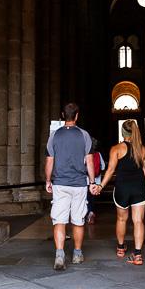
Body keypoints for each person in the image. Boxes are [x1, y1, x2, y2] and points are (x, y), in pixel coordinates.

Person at [90, 119, 145, 265]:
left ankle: (121, 248)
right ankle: (138, 255)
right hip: (139, 188)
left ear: (123, 132)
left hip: (122, 188)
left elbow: (110, 171)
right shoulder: (143, 150)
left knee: (122, 219)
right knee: (138, 221)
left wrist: (100, 186)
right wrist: (139, 185)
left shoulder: (116, 149)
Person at [46, 102, 95, 271]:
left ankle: (60, 255)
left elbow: (49, 160)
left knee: (59, 220)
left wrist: (48, 180)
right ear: (77, 116)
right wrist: (93, 182)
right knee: (78, 221)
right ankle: (77, 254)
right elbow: (89, 161)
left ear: (62, 115)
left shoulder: (55, 135)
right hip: (79, 184)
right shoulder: (84, 135)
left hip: (60, 183)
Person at [85, 137, 105, 224]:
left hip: (86, 180)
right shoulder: (98, 154)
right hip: (96, 181)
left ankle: (87, 214)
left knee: (86, 198)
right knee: (92, 198)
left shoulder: (84, 154)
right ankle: (91, 212)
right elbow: (103, 166)